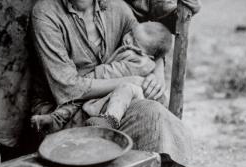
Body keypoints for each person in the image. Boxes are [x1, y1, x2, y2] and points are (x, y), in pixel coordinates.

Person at [30, 0, 193, 167]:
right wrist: (133, 81)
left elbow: (144, 44)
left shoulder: (116, 6)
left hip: (110, 107)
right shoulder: (46, 13)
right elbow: (68, 87)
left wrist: (157, 71)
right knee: (150, 112)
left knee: (155, 101)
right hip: (64, 114)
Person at [31, 20, 172, 133]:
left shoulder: (140, 62)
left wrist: (91, 76)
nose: (128, 40)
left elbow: (113, 71)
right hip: (109, 92)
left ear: (149, 55)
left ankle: (109, 121)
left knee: (122, 90)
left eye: (135, 43)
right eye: (131, 33)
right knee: (77, 103)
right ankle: (55, 120)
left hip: (123, 97)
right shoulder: (133, 51)